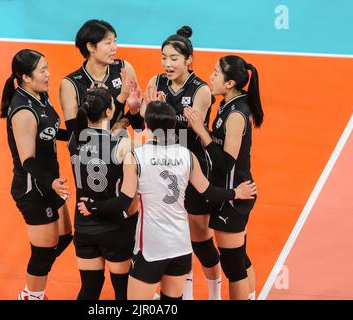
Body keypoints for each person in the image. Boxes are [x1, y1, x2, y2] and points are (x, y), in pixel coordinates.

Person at [78, 101, 257, 300]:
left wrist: (93, 206)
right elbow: (209, 192)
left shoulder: (136, 157)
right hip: (180, 248)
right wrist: (235, 192)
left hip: (151, 249)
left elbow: (123, 202)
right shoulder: (187, 156)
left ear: (147, 125)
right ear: (173, 126)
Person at [140, 26, 221, 300]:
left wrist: (161, 110)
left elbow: (188, 127)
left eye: (174, 58)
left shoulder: (201, 90)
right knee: (170, 235)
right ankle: (182, 293)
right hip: (161, 169)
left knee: (199, 236)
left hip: (192, 166)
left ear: (189, 60)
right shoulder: (156, 81)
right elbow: (144, 120)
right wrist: (141, 108)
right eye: (163, 57)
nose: (167, 64)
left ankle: (215, 291)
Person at [184, 55, 264, 300]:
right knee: (239, 256)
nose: (210, 77)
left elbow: (226, 163)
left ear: (230, 83)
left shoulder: (236, 114)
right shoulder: (228, 103)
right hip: (230, 193)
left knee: (233, 266)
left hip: (233, 198)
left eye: (216, 73)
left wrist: (202, 132)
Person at [0, 49, 73, 300]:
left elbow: (51, 131)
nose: (48, 74)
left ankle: (33, 283)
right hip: (34, 188)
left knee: (64, 236)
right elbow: (27, 160)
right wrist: (52, 182)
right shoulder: (23, 111)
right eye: (42, 70)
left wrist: (78, 136)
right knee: (43, 252)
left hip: (50, 183)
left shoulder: (41, 97)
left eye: (47, 67)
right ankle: (32, 295)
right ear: (26, 78)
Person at [70, 87, 140, 300]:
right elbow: (153, 143)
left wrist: (125, 117)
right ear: (109, 112)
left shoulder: (75, 140)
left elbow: (102, 137)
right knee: (123, 291)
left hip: (83, 226)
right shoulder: (123, 145)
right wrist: (136, 114)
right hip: (114, 228)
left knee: (89, 290)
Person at [60, 19, 143, 140]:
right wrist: (121, 99)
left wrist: (124, 121)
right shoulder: (70, 84)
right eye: (108, 43)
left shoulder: (124, 69)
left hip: (121, 149)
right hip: (90, 154)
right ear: (91, 47)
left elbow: (139, 126)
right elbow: (76, 136)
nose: (114, 47)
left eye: (115, 41)